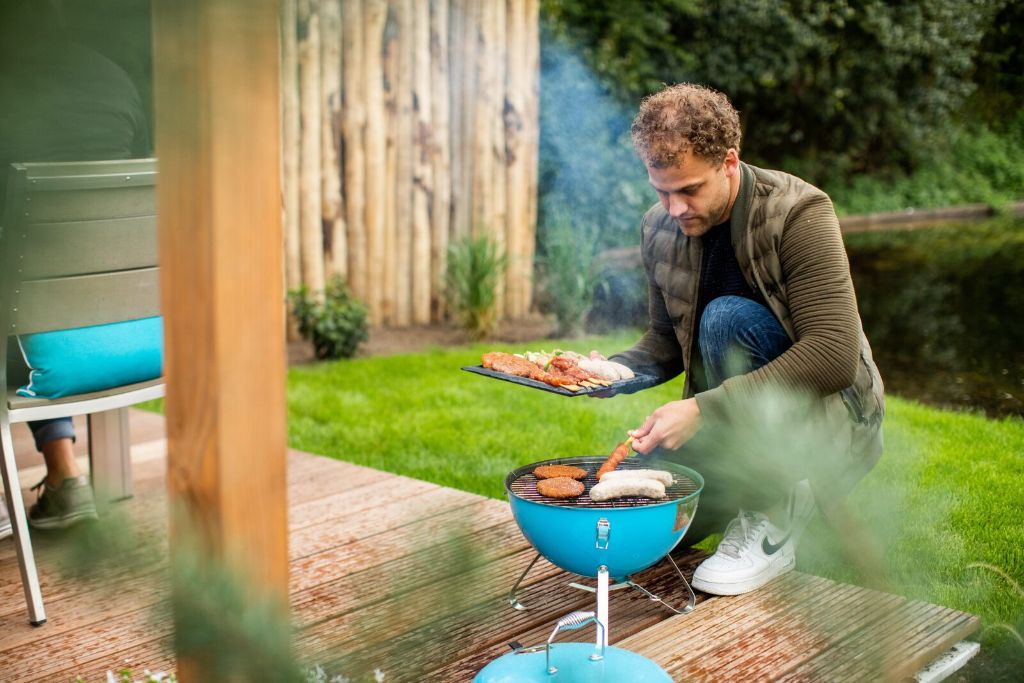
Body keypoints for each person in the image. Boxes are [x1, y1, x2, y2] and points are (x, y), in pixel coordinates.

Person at [598, 83, 884, 596]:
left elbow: (833, 354)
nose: (675, 208)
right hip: (730, 417)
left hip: (829, 420)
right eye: (662, 191)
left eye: (690, 190)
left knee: (724, 319)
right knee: (640, 527)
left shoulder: (799, 212)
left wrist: (703, 409)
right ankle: (733, 488)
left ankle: (775, 508)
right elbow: (666, 341)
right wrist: (608, 372)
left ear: (729, 162)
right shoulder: (659, 227)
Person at [0, 0, 151, 538]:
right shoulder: (117, 83)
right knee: (35, 306)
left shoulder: (10, 85)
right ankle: (66, 477)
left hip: (35, 344)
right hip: (121, 333)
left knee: (24, 308)